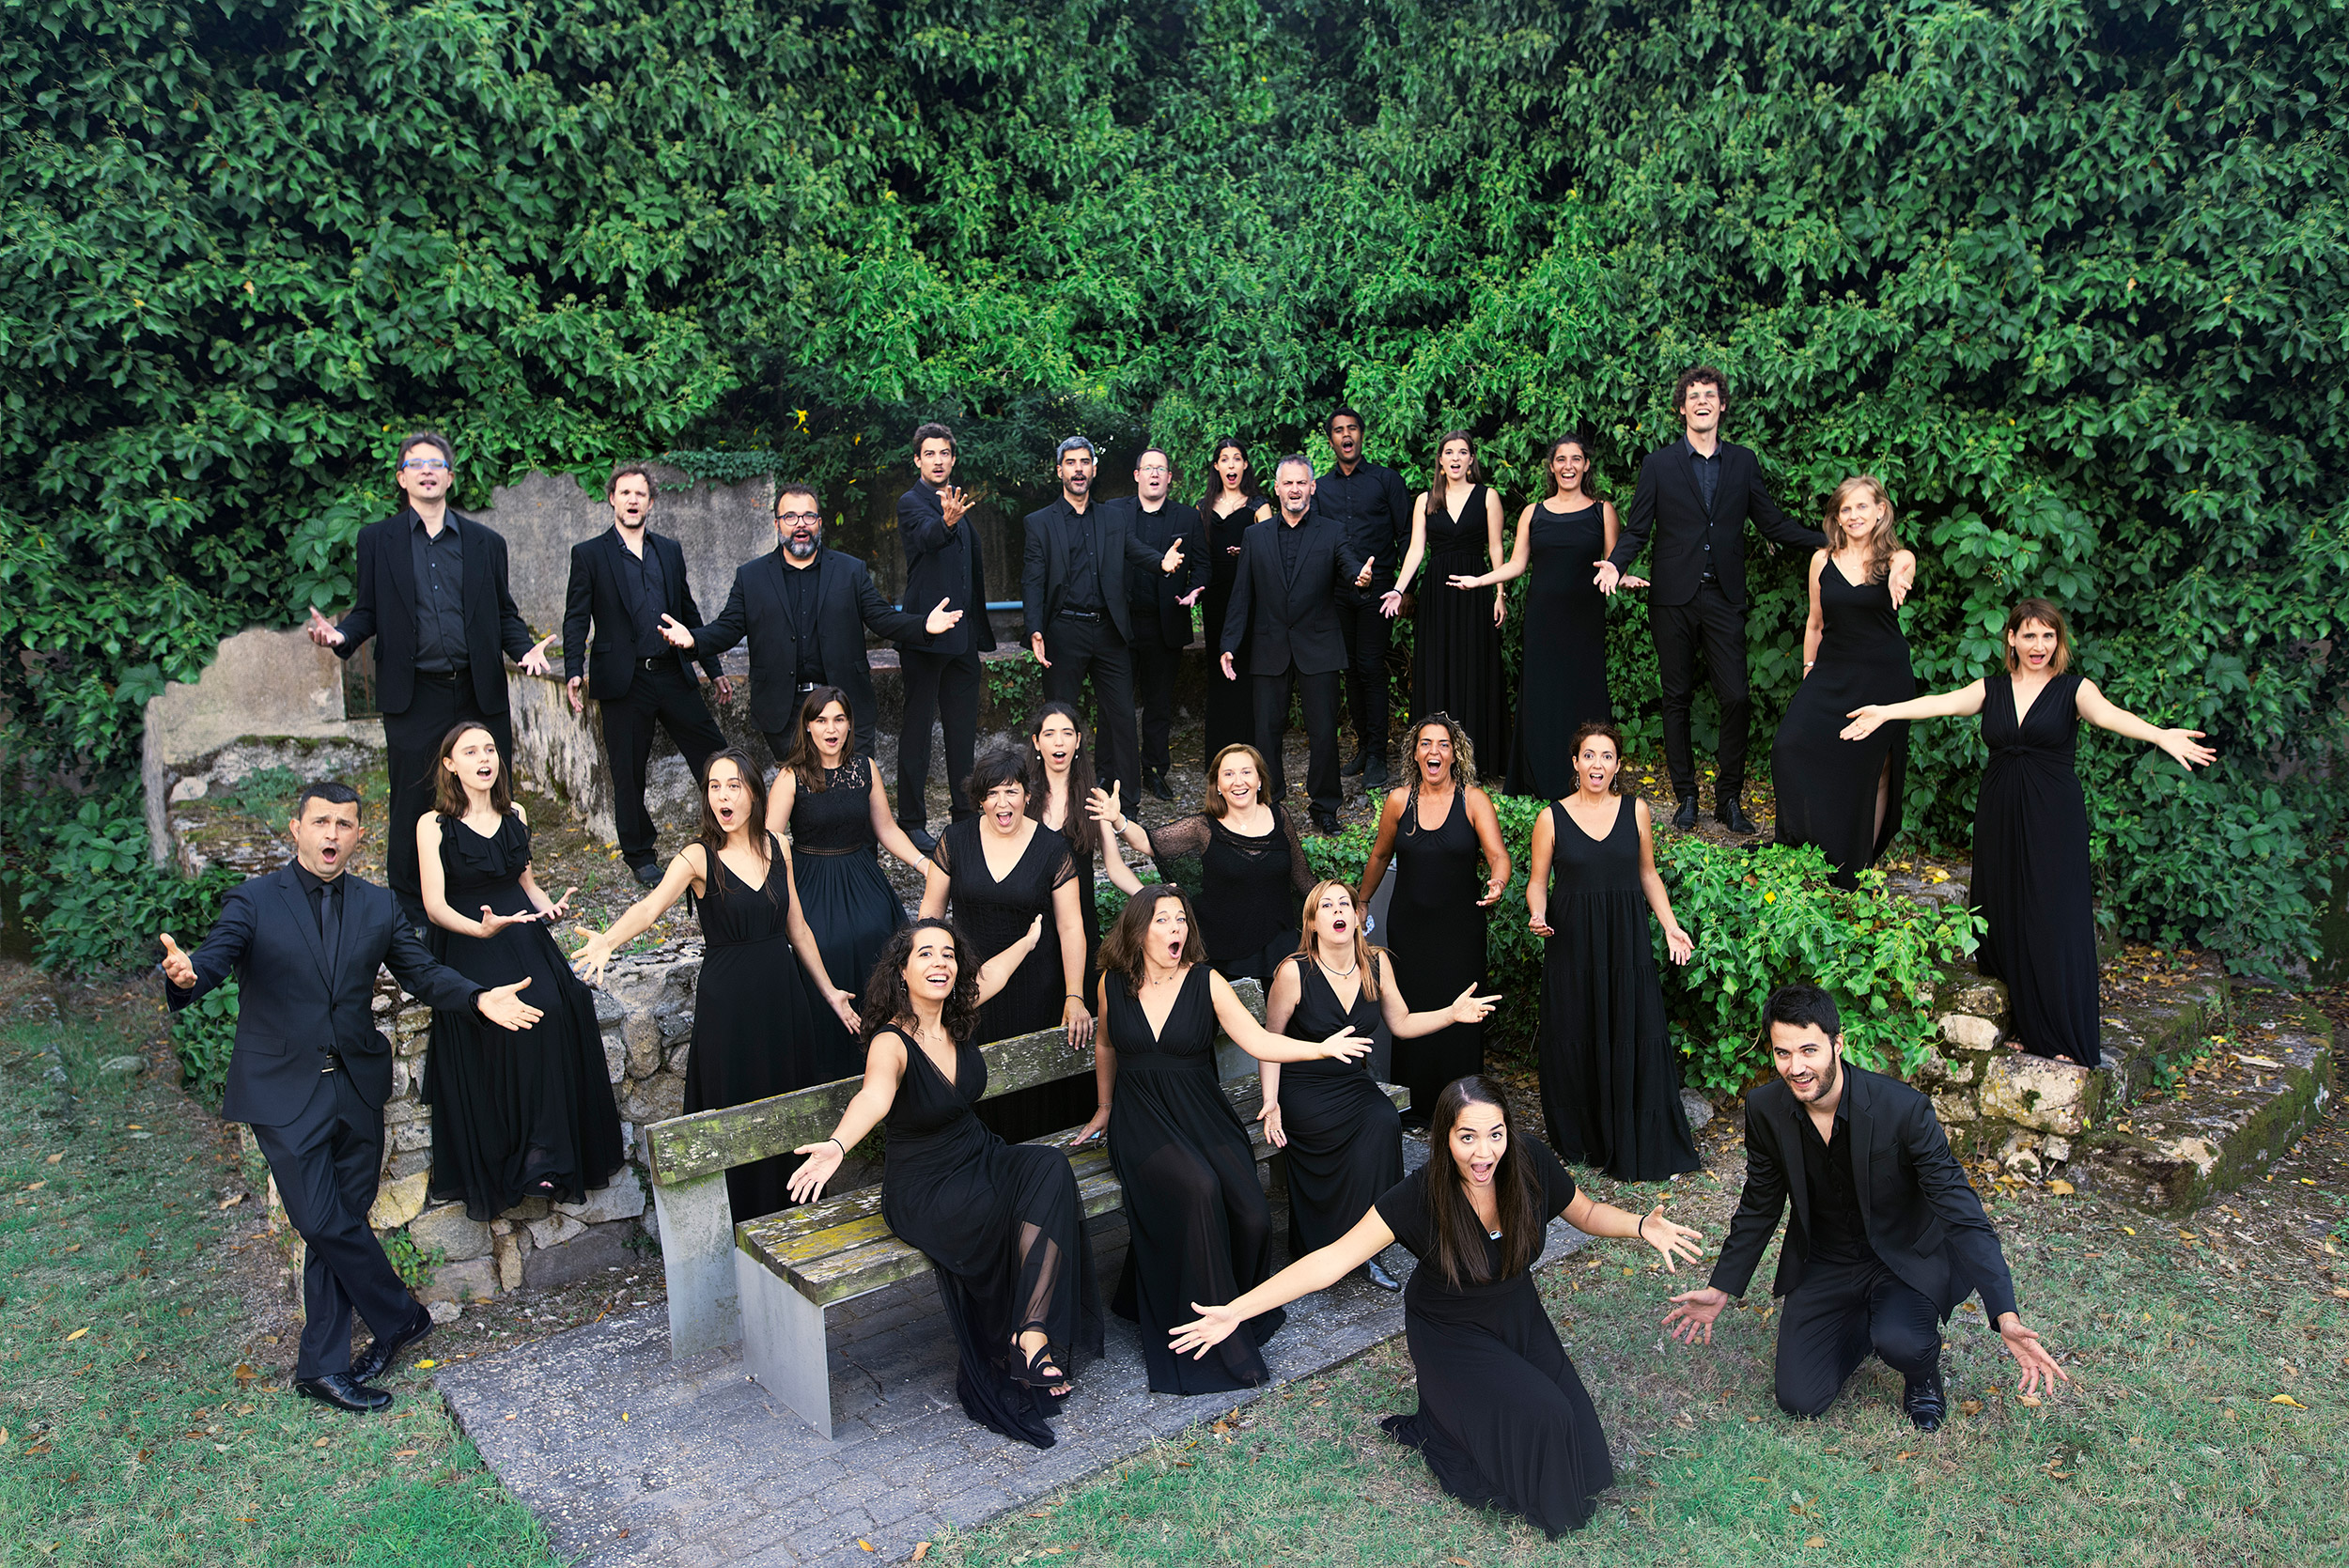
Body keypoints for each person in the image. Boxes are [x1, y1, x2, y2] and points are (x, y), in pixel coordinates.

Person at [1173, 1078, 1703, 1536]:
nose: (1483, 1153)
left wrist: (1641, 1225)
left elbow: (1584, 1212)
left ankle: (1452, 1410)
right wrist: (1237, 1310)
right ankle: (1445, 1414)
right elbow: (1331, 1261)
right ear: (1445, 1137)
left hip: (1517, 1313)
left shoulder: (1529, 1161)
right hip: (1450, 1332)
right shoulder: (1419, 1195)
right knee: (1547, 1418)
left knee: (1585, 1455)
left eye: (1494, 1134)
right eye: (1467, 1137)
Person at [159, 782, 543, 1412]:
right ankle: (401, 1317)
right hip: (282, 1090)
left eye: (344, 824)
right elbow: (213, 959)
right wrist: (187, 975)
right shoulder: (255, 900)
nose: (332, 834)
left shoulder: (377, 904)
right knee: (322, 1221)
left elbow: (422, 973)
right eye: (320, 822)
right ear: (296, 829)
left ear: (360, 835)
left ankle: (322, 1367)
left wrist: (477, 996)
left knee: (339, 1227)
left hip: (358, 1087)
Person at [1664, 985, 2071, 1429]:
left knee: (1903, 1342)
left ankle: (1920, 1372)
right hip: (1826, 1261)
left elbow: (1961, 1212)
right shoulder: (1765, 1109)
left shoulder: (1903, 1109)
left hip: (1902, 1259)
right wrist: (1721, 1287)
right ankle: (1864, 1326)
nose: (1796, 1068)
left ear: (1837, 1044)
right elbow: (1759, 1203)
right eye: (1783, 1053)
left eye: (1809, 1050)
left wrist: (2005, 1314)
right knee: (1800, 1399)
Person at [1843, 599, 2215, 1066]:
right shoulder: (1992, 689)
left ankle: (2062, 1035)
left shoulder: (2074, 690)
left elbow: (2109, 715)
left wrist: (2159, 735)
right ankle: (2026, 1025)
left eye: (2048, 636)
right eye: (2030, 635)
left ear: (2058, 641)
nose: (2039, 645)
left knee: (2051, 916)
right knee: (2004, 911)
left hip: (2053, 815)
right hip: (1999, 812)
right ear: (2012, 639)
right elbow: (1940, 704)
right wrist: (1885, 712)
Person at [786, 919, 1102, 1449]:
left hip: (978, 1156)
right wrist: (837, 1147)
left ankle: (1029, 1333)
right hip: (926, 1185)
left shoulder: (957, 1015)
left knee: (1048, 1166)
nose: (940, 963)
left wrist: (1027, 941)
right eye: (926, 954)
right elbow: (874, 1097)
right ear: (901, 971)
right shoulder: (890, 1041)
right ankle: (1015, 1342)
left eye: (948, 954)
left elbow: (994, 974)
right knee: (1006, 1212)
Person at [1066, 885, 1373, 1394]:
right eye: (1163, 920)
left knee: (1252, 1216)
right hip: (1142, 1118)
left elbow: (1258, 1040)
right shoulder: (1111, 983)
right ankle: (1209, 1331)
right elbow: (1105, 1043)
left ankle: (1242, 1306)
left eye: (1181, 919)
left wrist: (1320, 1049)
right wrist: (1104, 1107)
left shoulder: (1206, 980)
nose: (1176, 929)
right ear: (1138, 931)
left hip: (1202, 1113)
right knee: (1199, 1189)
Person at [572, 748, 859, 1219]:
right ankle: (739, 1220)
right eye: (714, 787)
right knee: (734, 1109)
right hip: (729, 1006)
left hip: (783, 998)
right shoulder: (697, 857)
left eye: (733, 786)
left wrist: (829, 992)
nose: (723, 796)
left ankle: (794, 1215)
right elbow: (650, 908)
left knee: (786, 1108)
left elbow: (799, 927)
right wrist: (608, 940)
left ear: (754, 793)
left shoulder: (779, 846)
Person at [305, 432, 555, 924]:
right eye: (415, 464)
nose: (426, 471)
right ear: (402, 478)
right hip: (414, 693)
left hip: (477, 692)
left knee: (489, 793)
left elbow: (504, 613)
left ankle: (500, 889)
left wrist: (524, 649)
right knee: (413, 800)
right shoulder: (377, 541)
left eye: (436, 463)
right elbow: (367, 611)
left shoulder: (487, 543)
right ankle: (411, 911)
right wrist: (341, 637)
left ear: (450, 476)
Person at [1596, 370, 1838, 836]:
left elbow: (1770, 522)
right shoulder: (1659, 464)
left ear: (1722, 405)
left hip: (1724, 597)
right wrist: (1615, 563)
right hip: (1673, 598)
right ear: (1682, 408)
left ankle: (1728, 798)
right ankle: (1686, 796)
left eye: (1710, 395)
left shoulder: (1743, 462)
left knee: (1737, 697)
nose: (1702, 401)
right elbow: (1638, 528)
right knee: (1676, 698)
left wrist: (1828, 541)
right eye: (1693, 396)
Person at [414, 723, 625, 1222]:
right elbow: (434, 905)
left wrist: (549, 909)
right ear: (450, 765)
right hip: (467, 935)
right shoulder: (433, 825)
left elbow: (527, 884)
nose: (484, 758)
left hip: (521, 930)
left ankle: (546, 1153)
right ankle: (509, 1153)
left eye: (489, 749)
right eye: (470, 752)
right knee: (498, 1020)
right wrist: (479, 929)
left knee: (560, 1005)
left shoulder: (517, 814)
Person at [1262, 880, 1500, 1290]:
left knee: (1384, 1120)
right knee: (1335, 1135)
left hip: (1351, 1082)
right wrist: (1271, 1101)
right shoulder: (1294, 971)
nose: (1338, 910)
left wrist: (1451, 1013)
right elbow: (1270, 1041)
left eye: (1344, 903)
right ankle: (1322, 1247)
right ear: (1312, 922)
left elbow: (1401, 1023)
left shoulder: (1376, 963)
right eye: (1326, 906)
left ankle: (1367, 1248)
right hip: (1304, 1085)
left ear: (1357, 917)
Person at [1526, 721, 1703, 1181]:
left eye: (1606, 756)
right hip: (1572, 944)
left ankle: (1633, 1131)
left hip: (1625, 941)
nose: (1597, 764)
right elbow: (1538, 882)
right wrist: (1538, 914)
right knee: (1578, 1029)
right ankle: (1584, 1137)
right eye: (1589, 755)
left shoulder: (1636, 810)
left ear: (1618, 764)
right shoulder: (1551, 818)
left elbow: (1648, 874)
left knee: (1631, 1027)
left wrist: (1670, 927)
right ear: (1575, 762)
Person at [673, 481, 955, 769]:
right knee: (801, 791)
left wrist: (923, 625)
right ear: (777, 524)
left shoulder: (850, 570)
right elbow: (728, 628)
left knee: (854, 787)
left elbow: (881, 618)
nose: (800, 524)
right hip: (784, 711)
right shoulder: (751, 577)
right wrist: (694, 639)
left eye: (808, 516)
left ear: (819, 523)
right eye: (790, 517)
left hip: (845, 702)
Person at [562, 464, 732, 886]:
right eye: (625, 493)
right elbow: (576, 618)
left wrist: (712, 668)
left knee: (715, 756)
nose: (633, 500)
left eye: (640, 493)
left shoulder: (669, 551)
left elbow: (688, 612)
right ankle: (640, 856)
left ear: (651, 502)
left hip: (672, 672)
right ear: (612, 499)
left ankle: (729, 836)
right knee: (628, 773)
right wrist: (573, 671)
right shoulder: (589, 554)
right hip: (624, 681)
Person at [1447, 435, 1636, 800]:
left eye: (1576, 459)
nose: (1568, 466)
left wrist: (1624, 578)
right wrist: (1480, 580)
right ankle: (1542, 779)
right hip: (1542, 623)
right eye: (1561, 459)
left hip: (1584, 623)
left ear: (1586, 466)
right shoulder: (1534, 512)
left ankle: (1590, 780)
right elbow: (1517, 564)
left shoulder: (1603, 511)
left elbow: (1614, 564)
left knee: (1583, 697)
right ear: (1552, 467)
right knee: (1543, 698)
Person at [921, 747, 1093, 1141]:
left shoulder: (1053, 849)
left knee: (1033, 1091)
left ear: (1027, 796)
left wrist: (1075, 995)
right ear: (979, 799)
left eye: (1012, 791)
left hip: (1037, 989)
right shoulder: (955, 840)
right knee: (977, 1084)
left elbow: (1071, 927)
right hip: (972, 988)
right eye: (992, 793)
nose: (1003, 802)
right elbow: (930, 916)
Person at [1356, 713, 1511, 1130]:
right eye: (1425, 743)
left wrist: (1498, 881)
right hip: (1409, 930)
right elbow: (1379, 856)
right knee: (1413, 1009)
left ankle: (1463, 1106)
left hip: (1461, 931)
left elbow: (1498, 855)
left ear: (1455, 754)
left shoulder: (1473, 801)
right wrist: (1362, 901)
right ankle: (1417, 1107)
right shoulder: (1398, 801)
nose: (1434, 751)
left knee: (1461, 1014)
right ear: (1415, 753)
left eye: (1443, 744)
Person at [761, 688, 928, 1074]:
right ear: (808, 726)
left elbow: (886, 828)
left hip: (861, 874)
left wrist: (924, 864)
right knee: (826, 946)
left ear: (850, 724)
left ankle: (887, 1059)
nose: (831, 729)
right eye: (821, 720)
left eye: (839, 719)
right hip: (811, 879)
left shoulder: (865, 768)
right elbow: (769, 841)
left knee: (882, 941)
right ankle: (831, 1067)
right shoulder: (791, 776)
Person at [1769, 476, 1920, 888]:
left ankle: (1859, 866)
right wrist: (1808, 670)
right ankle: (1806, 849)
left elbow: (1906, 564)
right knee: (1788, 747)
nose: (1854, 516)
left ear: (1880, 511)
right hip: (1831, 672)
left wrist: (1898, 577)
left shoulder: (1895, 559)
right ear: (1837, 517)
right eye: (1845, 509)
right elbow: (1815, 623)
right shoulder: (1822, 560)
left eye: (1862, 507)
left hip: (1884, 675)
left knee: (1875, 767)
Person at [1021, 436, 1189, 802]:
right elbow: (1032, 580)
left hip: (1109, 630)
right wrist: (1035, 628)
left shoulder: (1113, 517)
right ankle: (1058, 799)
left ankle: (1126, 801)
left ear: (1094, 469)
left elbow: (1134, 549)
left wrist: (1161, 563)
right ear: (1060, 470)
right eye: (1071, 463)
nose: (1078, 469)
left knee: (1122, 717)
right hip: (1063, 630)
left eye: (1085, 462)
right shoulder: (1039, 522)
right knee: (1059, 721)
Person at [1218, 456, 1374, 834]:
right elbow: (1241, 597)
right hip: (1268, 646)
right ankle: (1270, 807)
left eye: (1301, 483)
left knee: (1324, 733)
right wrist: (1229, 644)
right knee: (1266, 734)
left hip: (1319, 646)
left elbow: (1350, 566)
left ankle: (1325, 808)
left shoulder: (1332, 532)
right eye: (1288, 483)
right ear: (1277, 488)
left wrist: (1362, 578)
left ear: (1312, 487)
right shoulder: (1255, 536)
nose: (1294, 489)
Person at [1094, 742, 1317, 984]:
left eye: (1246, 772)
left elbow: (1303, 879)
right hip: (1224, 951)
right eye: (1228, 774)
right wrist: (1117, 819)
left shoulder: (1280, 817)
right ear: (1218, 785)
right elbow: (1146, 841)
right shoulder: (1203, 827)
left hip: (1280, 947)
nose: (1238, 781)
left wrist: (1338, 905)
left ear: (1260, 779)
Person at [895, 423, 997, 853]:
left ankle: (964, 816)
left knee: (961, 735)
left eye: (944, 453)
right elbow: (927, 537)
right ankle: (911, 821)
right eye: (929, 454)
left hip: (963, 641)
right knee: (917, 733)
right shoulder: (911, 503)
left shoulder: (958, 501)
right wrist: (947, 522)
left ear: (953, 459)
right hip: (926, 636)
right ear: (917, 460)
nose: (938, 460)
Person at [1382, 431, 1509, 765]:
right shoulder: (1426, 500)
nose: (1455, 458)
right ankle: (1435, 756)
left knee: (1474, 664)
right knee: (1438, 664)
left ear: (1471, 460)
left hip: (1476, 589)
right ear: (1440, 460)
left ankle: (1477, 756)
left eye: (1462, 452)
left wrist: (1499, 594)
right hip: (1437, 594)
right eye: (1449, 452)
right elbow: (1416, 550)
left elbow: (1496, 548)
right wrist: (1398, 589)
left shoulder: (1488, 496)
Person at [1316, 407, 1413, 791]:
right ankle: (1362, 747)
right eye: (1339, 430)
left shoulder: (1387, 480)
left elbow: (1407, 535)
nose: (1346, 435)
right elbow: (1317, 542)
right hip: (1339, 592)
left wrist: (1405, 588)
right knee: (1351, 670)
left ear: (1362, 434)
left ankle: (1377, 755)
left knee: (1371, 666)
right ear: (1331, 440)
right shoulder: (1320, 488)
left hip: (1381, 590)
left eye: (1352, 428)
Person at [1112, 448, 1206, 800]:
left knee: (1159, 705)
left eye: (1161, 469)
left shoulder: (1188, 517)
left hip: (1166, 623)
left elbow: (1203, 566)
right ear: (1136, 475)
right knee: (1115, 704)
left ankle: (1154, 771)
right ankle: (1115, 774)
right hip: (1119, 626)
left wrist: (1195, 590)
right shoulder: (1113, 512)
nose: (1154, 473)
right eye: (1148, 468)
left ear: (1169, 477)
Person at [1196, 440, 1272, 771]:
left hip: (1249, 596)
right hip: (1215, 598)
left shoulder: (1259, 505)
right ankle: (1218, 754)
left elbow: (1271, 550)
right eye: (1224, 459)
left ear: (1245, 465)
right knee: (1218, 671)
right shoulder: (1202, 506)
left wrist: (1249, 552)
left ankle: (1249, 752)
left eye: (1237, 458)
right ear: (1216, 466)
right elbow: (1199, 553)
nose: (1231, 464)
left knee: (1246, 671)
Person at [1023, 703, 1108, 983]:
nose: (1059, 741)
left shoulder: (1095, 798)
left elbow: (1116, 867)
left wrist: (1154, 895)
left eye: (1067, 733)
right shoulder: (1021, 798)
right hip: (1033, 925)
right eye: (1049, 734)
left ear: (1078, 740)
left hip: (1081, 922)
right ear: (1036, 742)